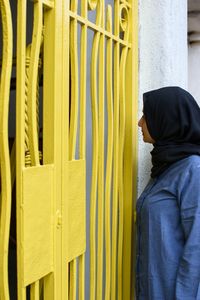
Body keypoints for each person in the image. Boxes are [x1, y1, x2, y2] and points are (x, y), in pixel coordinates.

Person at [136, 86, 200, 300]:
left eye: (146, 116)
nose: (140, 123)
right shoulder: (164, 168)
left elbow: (197, 247)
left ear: (167, 119)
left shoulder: (193, 170)